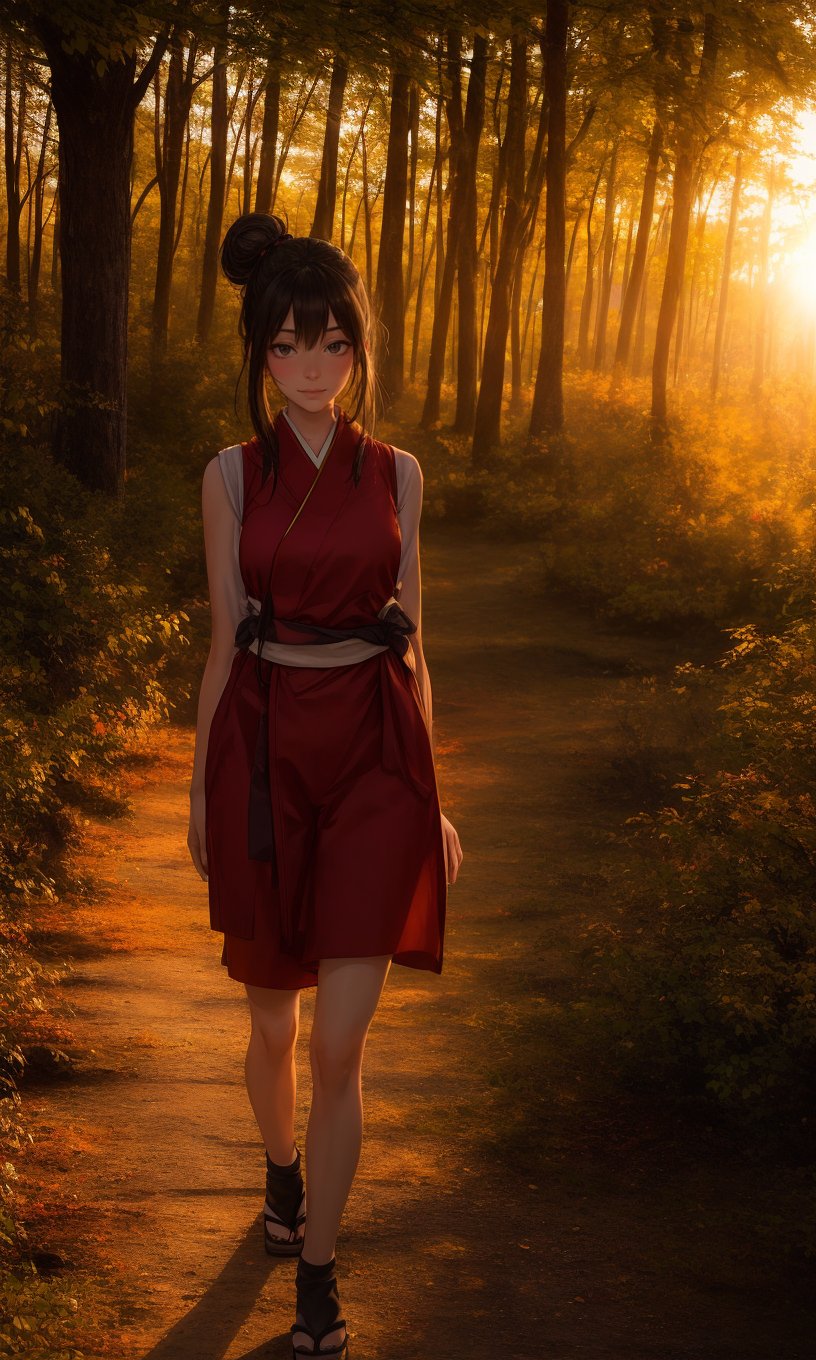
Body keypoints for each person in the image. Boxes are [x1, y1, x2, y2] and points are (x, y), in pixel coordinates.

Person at [186, 211, 463, 1358]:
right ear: (259, 354)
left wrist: (435, 798)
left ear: (359, 351)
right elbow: (219, 639)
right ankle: (282, 1169)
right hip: (260, 748)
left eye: (333, 345)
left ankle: (317, 1280)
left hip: (372, 754)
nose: (312, 368)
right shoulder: (228, 475)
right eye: (290, 345)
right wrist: (197, 794)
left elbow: (416, 645)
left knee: (343, 1047)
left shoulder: (396, 474)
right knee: (271, 1025)